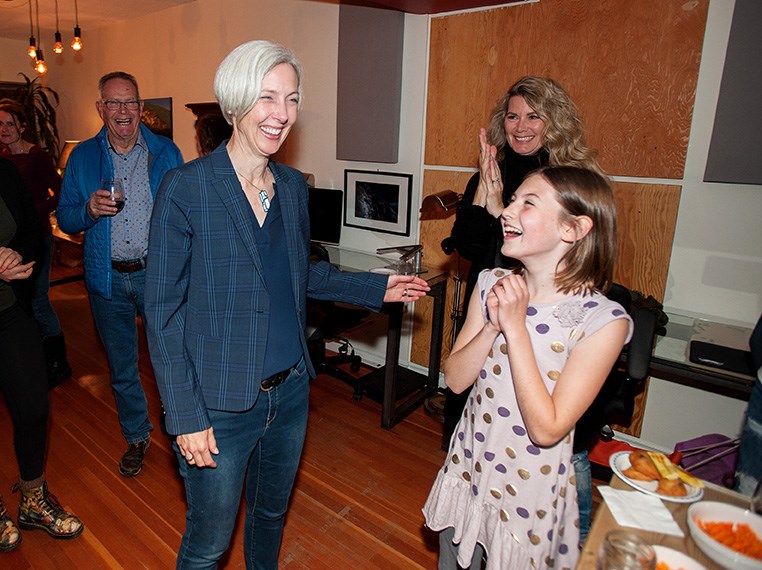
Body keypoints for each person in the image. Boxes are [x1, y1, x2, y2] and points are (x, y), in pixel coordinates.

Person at [144, 40, 430, 568]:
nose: (281, 115)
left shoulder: (293, 187)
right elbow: (161, 312)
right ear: (234, 103)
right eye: (267, 97)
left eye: (292, 99)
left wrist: (374, 286)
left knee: (271, 516)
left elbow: (300, 274)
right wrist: (184, 415)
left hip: (291, 391)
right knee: (208, 545)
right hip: (220, 402)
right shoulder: (187, 188)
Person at [423, 166, 632, 569]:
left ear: (572, 229)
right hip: (470, 468)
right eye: (513, 199)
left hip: (526, 493)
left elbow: (547, 427)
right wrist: (491, 325)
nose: (507, 211)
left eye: (528, 203)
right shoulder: (490, 282)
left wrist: (516, 329)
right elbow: (455, 379)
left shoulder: (602, 321)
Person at [440, 77, 604, 543]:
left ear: (554, 122)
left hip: (544, 315)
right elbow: (471, 249)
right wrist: (488, 204)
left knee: (538, 440)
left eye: (534, 115)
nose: (521, 125)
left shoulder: (573, 179)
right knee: (473, 420)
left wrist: (500, 213)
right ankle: (469, 517)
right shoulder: (489, 173)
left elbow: (582, 264)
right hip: (490, 301)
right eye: (513, 115)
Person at [56, 71, 183, 478]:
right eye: (114, 103)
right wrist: (88, 211)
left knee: (172, 360)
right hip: (107, 279)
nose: (123, 111)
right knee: (123, 366)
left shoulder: (166, 152)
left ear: (142, 108)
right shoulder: (82, 158)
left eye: (130, 102)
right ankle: (136, 436)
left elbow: (185, 214)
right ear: (101, 109)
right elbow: (66, 218)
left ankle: (182, 431)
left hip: (157, 275)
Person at [0, 157, 83, 552]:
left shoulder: (3, 170)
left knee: (34, 406)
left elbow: (33, 228)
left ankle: (33, 500)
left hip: (11, 311)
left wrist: (15, 254)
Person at [0, 99, 70, 388]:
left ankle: (58, 362)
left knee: (39, 301)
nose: (3, 129)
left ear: (22, 126)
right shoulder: (2, 160)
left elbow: (58, 191)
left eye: (9, 124)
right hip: (8, 248)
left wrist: (32, 213)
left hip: (36, 237)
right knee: (21, 303)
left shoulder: (36, 155)